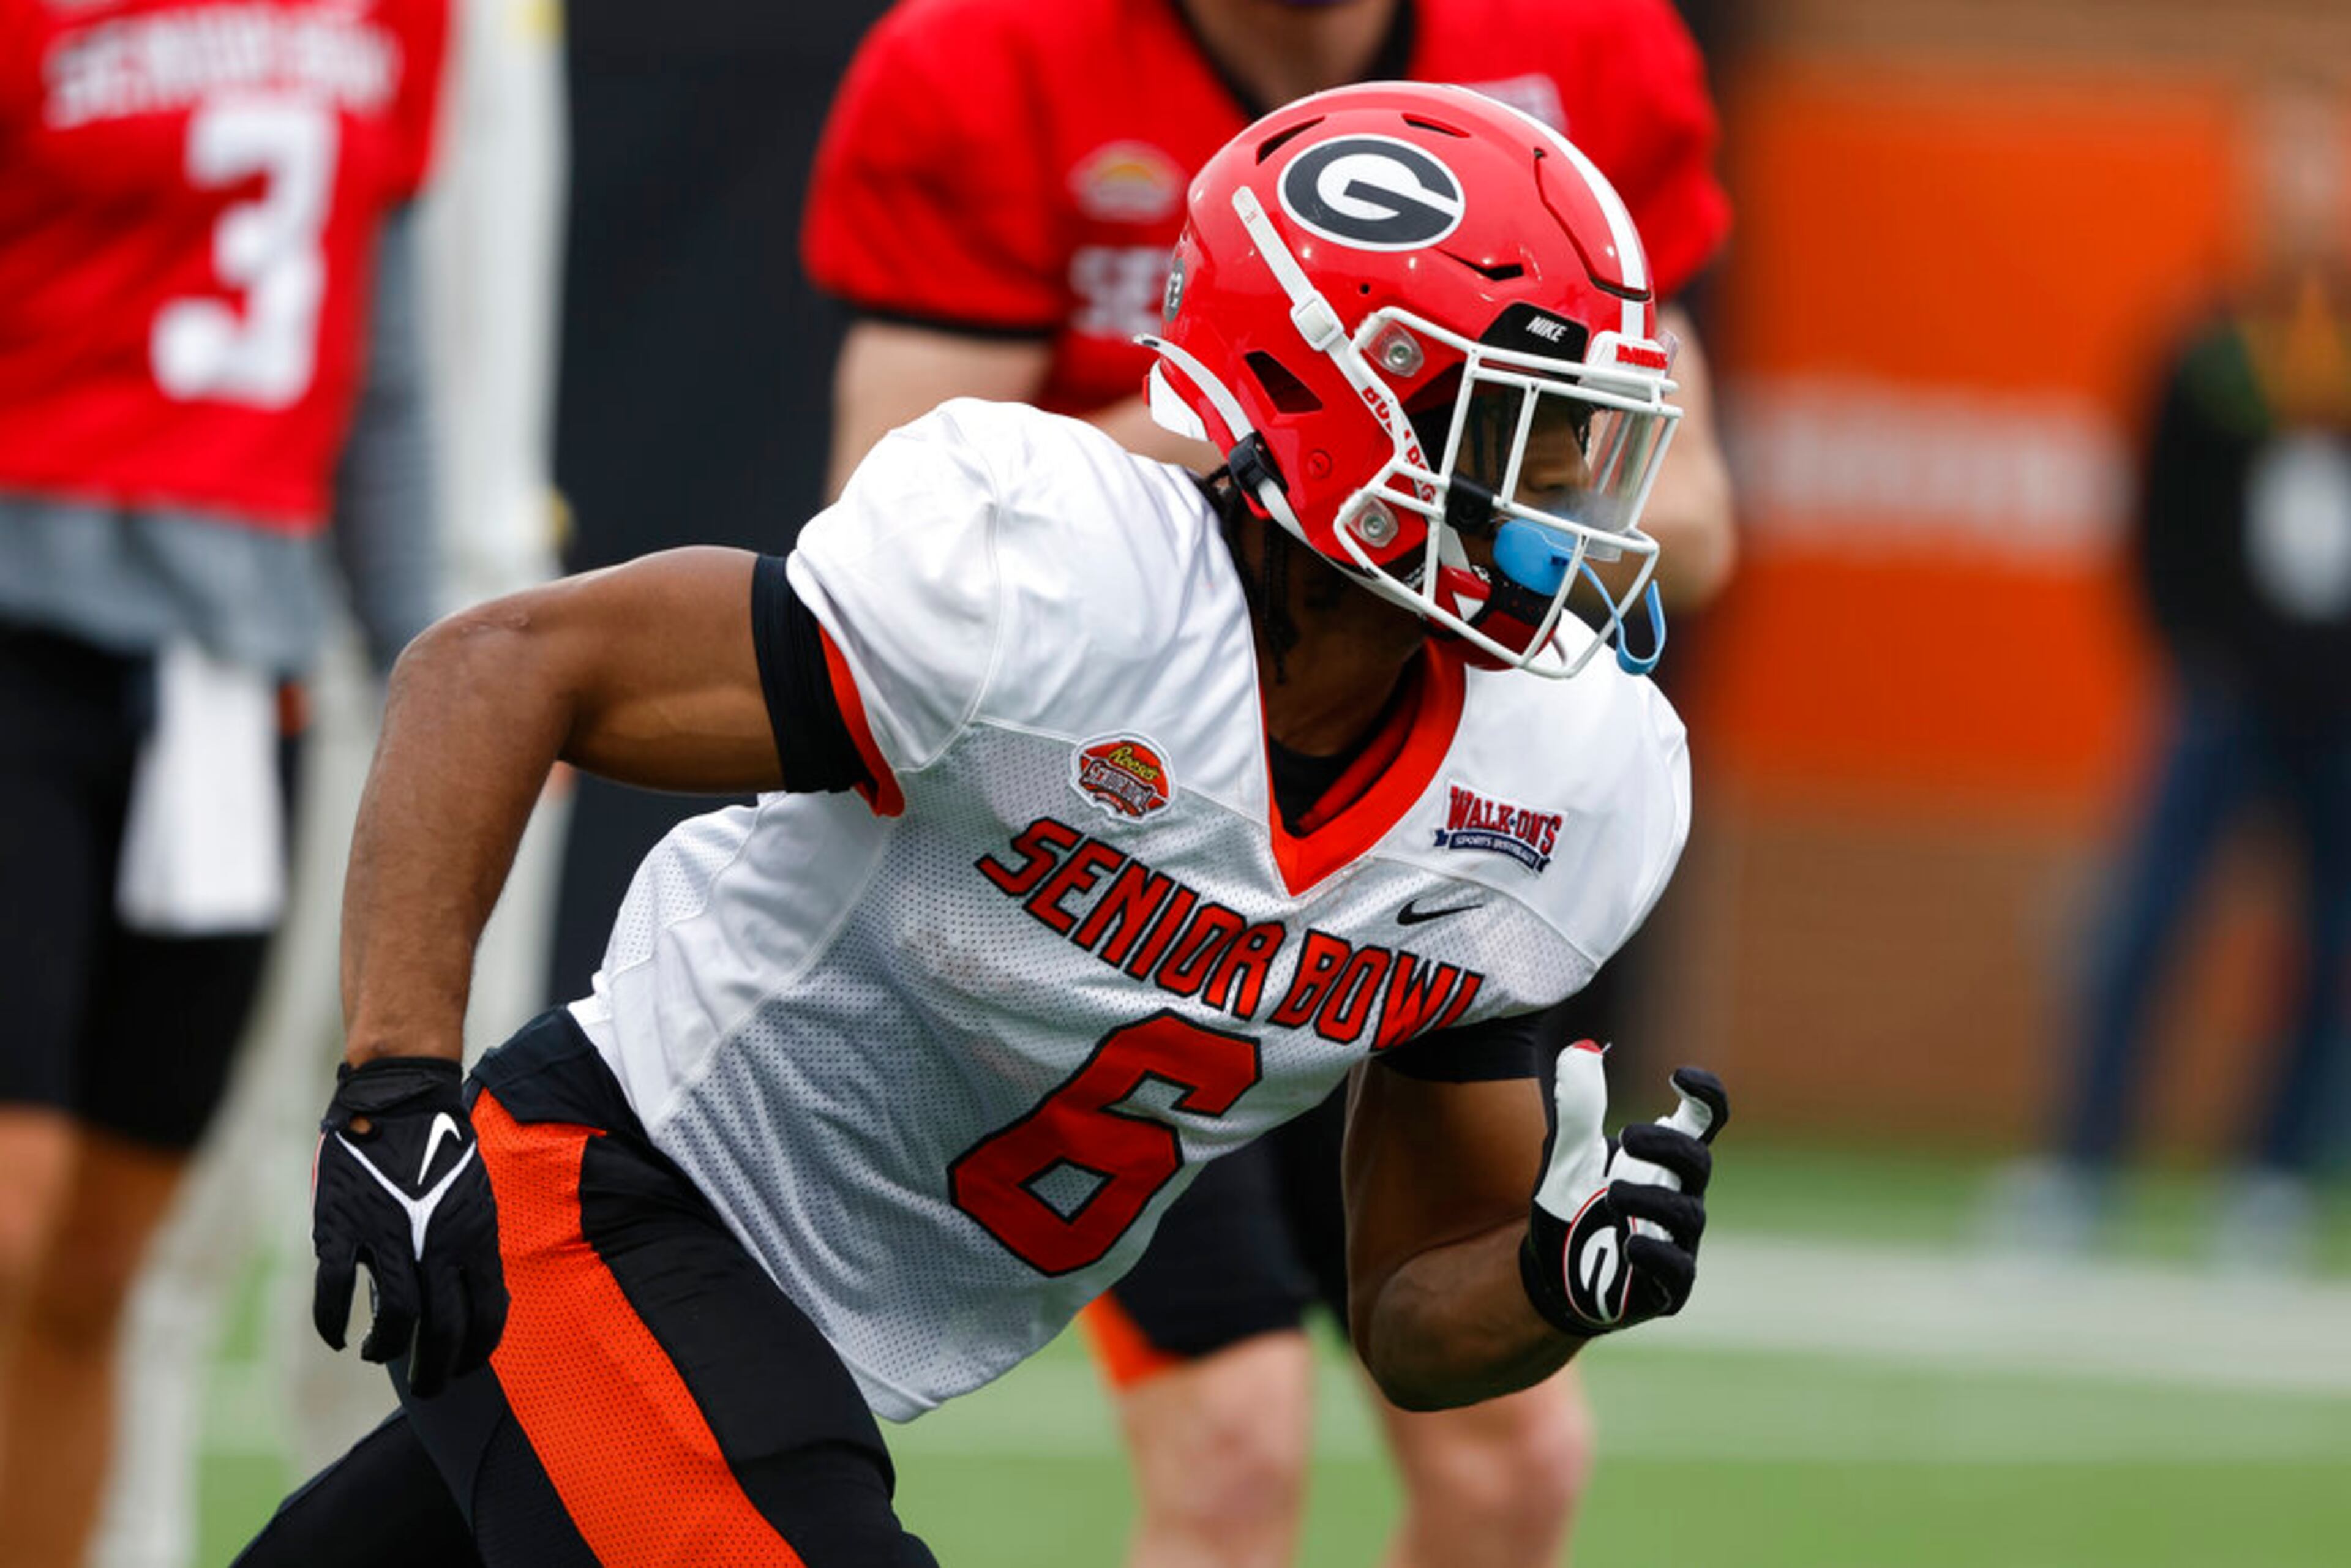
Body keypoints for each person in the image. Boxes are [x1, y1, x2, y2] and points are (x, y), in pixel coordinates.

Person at [234, 83, 1728, 1566]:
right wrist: (392, 1089)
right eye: (1525, 435)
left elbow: (1408, 1306)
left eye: (1588, 440)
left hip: (814, 1348)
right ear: (1349, 407)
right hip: (617, 1186)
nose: (1575, 500)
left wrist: (1548, 1279)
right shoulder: (1055, 586)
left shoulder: (1555, 787)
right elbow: (498, 665)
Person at [802, 2, 1733, 1561]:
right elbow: (883, 525)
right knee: (1234, 1448)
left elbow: (1685, 512)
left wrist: (1409, 432)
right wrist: (1298, 407)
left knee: (1516, 1467)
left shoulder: (1581, 41)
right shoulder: (990, 55)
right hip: (1125, 846)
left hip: (1412, 841)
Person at [0, 2, 447, 1562]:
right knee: (9, 1213)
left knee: (94, 1265)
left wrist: (431, 683)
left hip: (231, 684)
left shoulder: (400, 18)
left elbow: (378, 369)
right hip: (21, 633)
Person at [1996, 73, 2351, 1272]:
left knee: (2325, 946)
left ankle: (2272, 1181)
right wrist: (2193, 658)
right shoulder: (2205, 343)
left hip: (2339, 711)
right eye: (2287, 173)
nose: (2308, 198)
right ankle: (2082, 1169)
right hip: (2220, 699)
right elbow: (2154, 526)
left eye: (2326, 172)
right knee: (2145, 928)